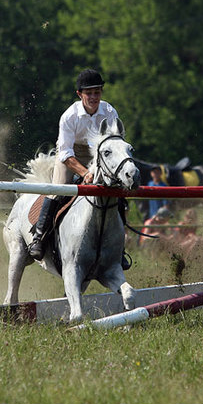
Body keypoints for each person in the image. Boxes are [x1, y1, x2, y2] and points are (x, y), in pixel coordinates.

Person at [28, 69, 123, 262]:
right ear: (80, 94)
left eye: (97, 92)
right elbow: (64, 153)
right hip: (70, 155)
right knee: (58, 190)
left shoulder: (110, 111)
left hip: (99, 154)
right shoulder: (69, 116)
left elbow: (116, 145)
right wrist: (85, 172)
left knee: (116, 191)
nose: (94, 97)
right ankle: (39, 237)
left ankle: (119, 248)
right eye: (89, 93)